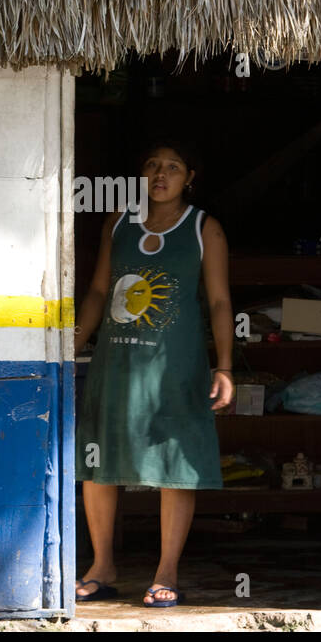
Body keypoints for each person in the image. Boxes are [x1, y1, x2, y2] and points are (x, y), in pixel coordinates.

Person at [72, 139, 234, 607]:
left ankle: (166, 572)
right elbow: (100, 291)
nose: (160, 175)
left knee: (174, 466)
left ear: (190, 179)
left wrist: (224, 365)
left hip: (176, 368)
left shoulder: (205, 228)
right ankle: (102, 566)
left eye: (173, 168)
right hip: (116, 363)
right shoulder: (118, 223)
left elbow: (221, 301)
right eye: (152, 166)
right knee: (99, 463)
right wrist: (71, 347)